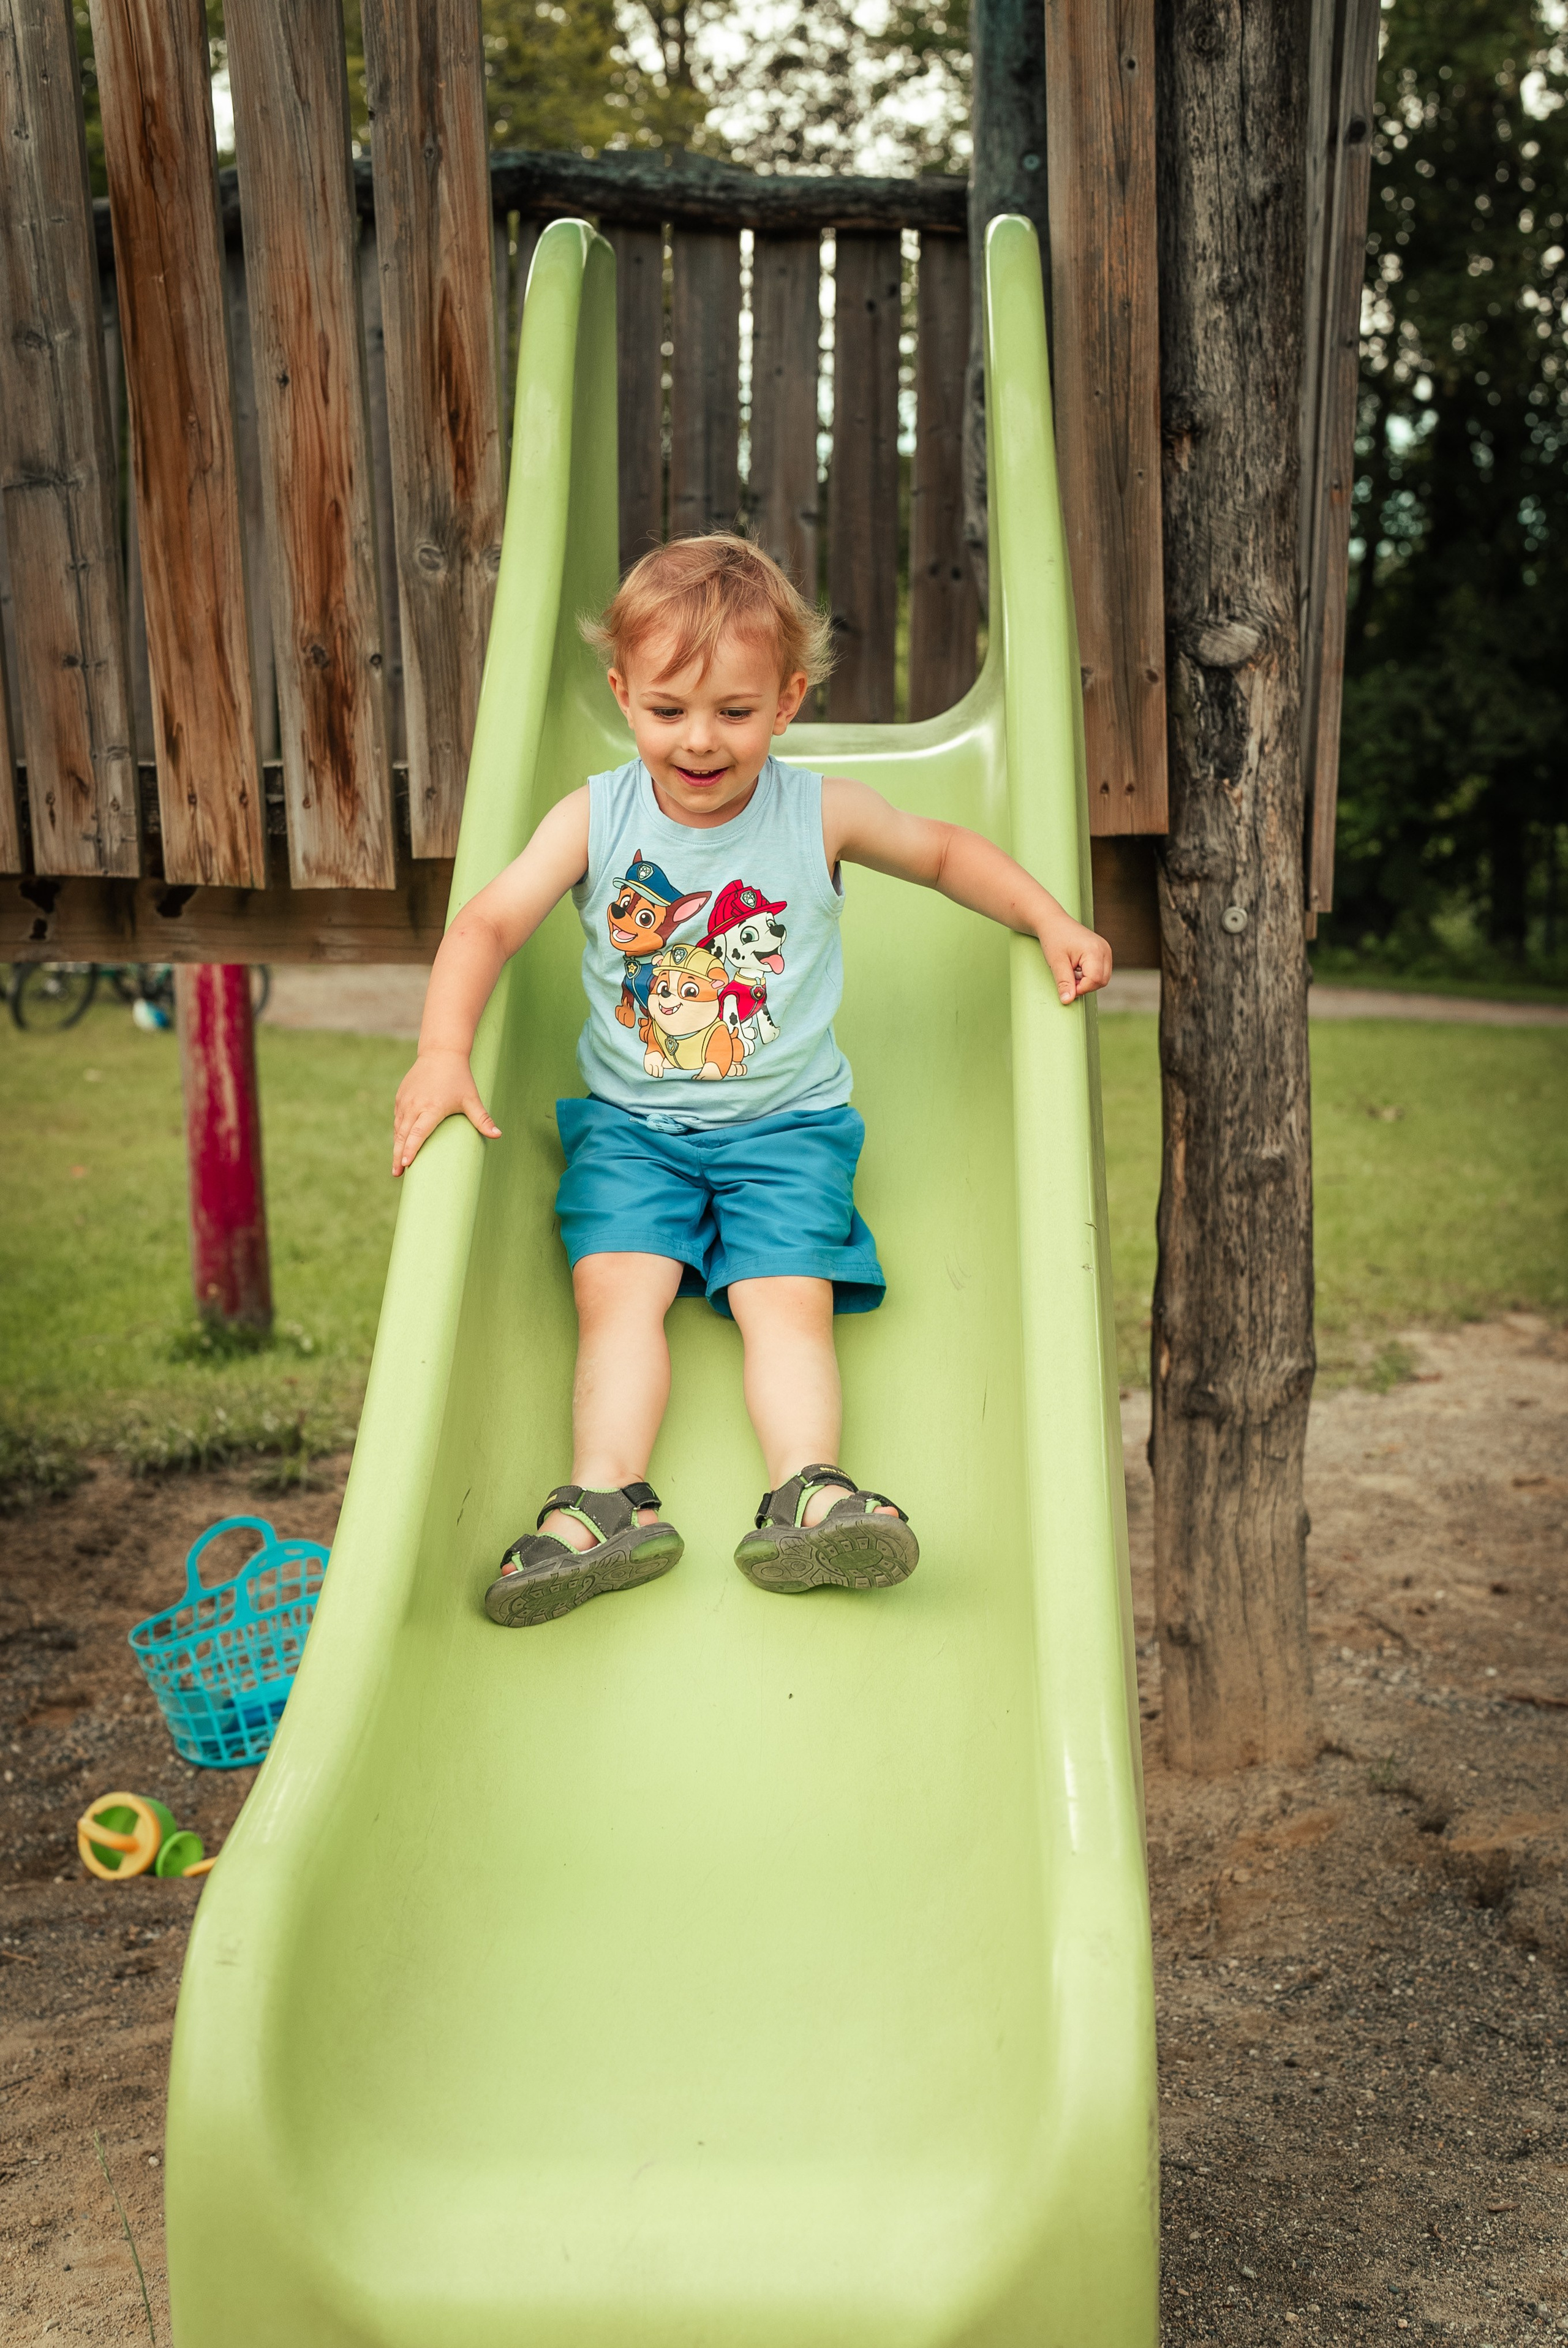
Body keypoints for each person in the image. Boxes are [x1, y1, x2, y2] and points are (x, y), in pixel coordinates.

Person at [391, 534, 1112, 1628]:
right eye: (670, 708)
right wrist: (443, 1049)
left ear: (787, 703)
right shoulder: (596, 816)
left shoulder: (817, 813)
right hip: (633, 1131)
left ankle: (810, 1493)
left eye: (734, 711)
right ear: (622, 694)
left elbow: (945, 851)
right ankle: (602, 1501)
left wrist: (1050, 917)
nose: (699, 739)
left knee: (789, 1308)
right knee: (615, 1297)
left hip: (787, 1132)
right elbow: (488, 921)